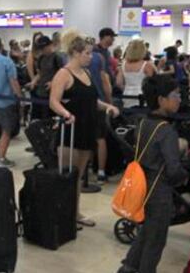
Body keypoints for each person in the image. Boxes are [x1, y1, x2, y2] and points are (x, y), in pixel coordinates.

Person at [112, 74, 187, 273]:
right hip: (159, 190)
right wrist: (184, 176)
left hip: (142, 186)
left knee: (146, 232)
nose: (179, 99)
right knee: (156, 239)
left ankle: (127, 271)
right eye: (175, 95)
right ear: (162, 100)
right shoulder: (167, 131)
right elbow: (173, 169)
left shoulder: (143, 122)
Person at [48, 30, 119, 228]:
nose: (91, 57)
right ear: (76, 53)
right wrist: (66, 113)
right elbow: (53, 101)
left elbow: (92, 100)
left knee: (78, 177)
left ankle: (75, 212)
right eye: (87, 53)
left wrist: (108, 106)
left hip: (87, 128)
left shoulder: (86, 73)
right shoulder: (63, 74)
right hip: (70, 130)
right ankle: (61, 214)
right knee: (66, 176)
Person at [0, 33, 22, 166]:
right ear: (1, 46)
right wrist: (19, 96)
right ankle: (1, 157)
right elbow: (13, 81)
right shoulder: (7, 61)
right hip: (6, 102)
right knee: (7, 130)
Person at [90, 28, 117, 182]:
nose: (113, 39)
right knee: (100, 137)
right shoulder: (98, 56)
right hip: (99, 100)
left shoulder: (104, 53)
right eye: (111, 37)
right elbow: (105, 80)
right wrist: (110, 103)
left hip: (89, 100)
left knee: (89, 136)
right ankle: (100, 171)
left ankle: (86, 169)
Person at [117, 37, 155, 103]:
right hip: (142, 95)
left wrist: (126, 88)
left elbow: (119, 83)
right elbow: (152, 83)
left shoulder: (123, 64)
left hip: (127, 94)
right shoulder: (147, 65)